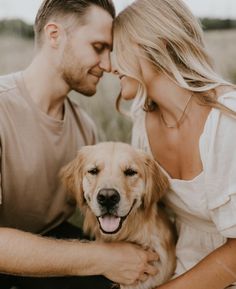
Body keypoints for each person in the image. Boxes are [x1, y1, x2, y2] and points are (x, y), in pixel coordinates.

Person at [0, 1, 159, 288]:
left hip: (50, 245)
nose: (109, 64)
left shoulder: (85, 127)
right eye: (99, 47)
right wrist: (101, 258)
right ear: (54, 35)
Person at [112, 0, 236, 288]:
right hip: (181, 263)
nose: (108, 64)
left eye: (118, 49)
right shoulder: (142, 119)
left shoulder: (226, 121)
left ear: (160, 46)